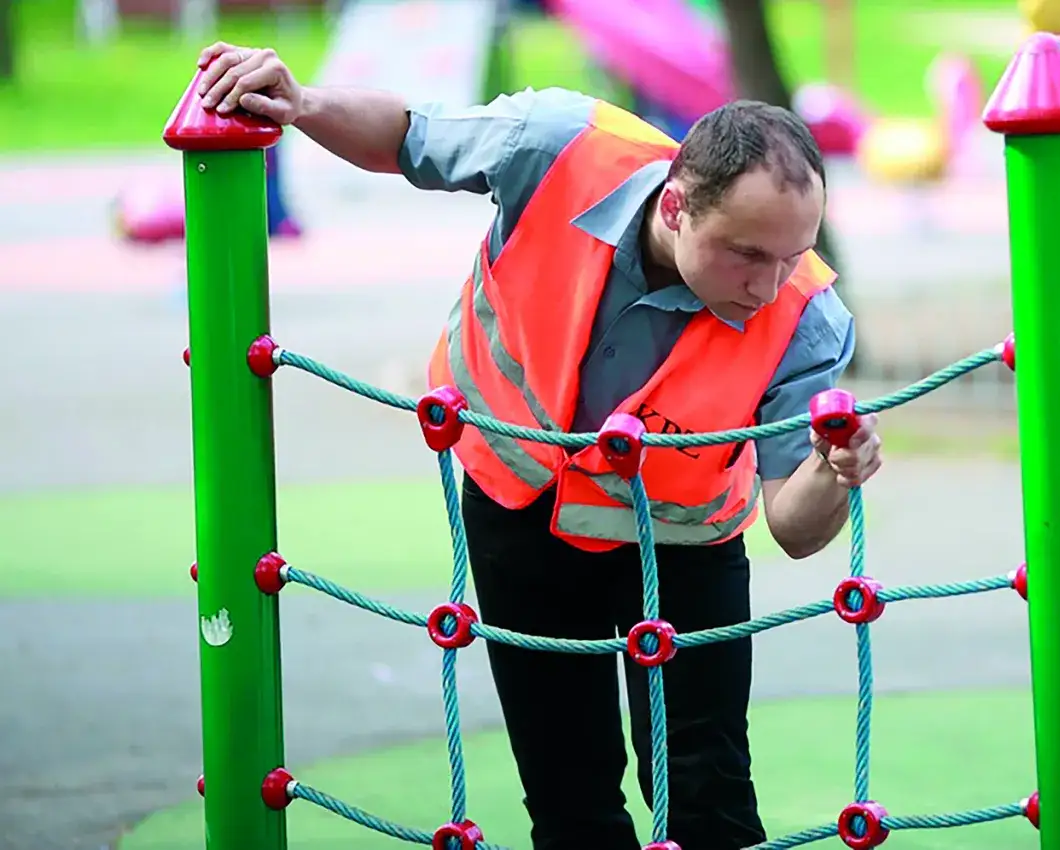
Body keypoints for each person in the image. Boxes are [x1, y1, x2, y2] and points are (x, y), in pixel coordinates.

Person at [194, 42, 884, 850]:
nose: (768, 287)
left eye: (794, 255)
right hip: (516, 505)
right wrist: (302, 102)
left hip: (682, 540)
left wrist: (835, 472)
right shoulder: (557, 145)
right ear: (675, 206)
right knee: (568, 791)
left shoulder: (808, 319)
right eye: (747, 254)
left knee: (706, 791)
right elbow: (408, 137)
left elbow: (796, 530)